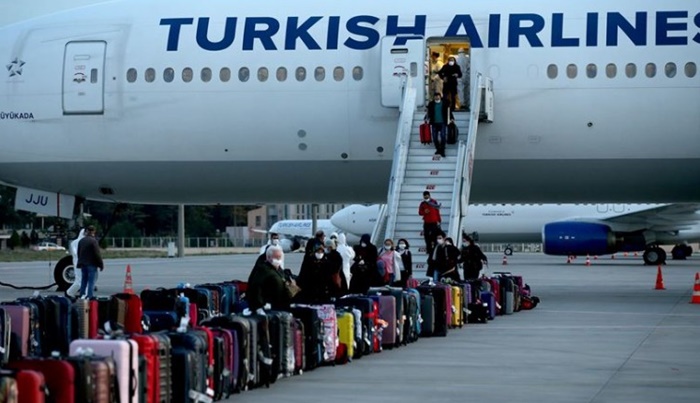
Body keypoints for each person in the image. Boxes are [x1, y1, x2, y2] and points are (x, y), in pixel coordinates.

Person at [247, 245, 294, 312]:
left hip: (282, 304)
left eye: (279, 257)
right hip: (271, 307)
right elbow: (256, 288)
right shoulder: (263, 270)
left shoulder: (278, 270)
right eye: (276, 257)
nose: (278, 260)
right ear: (268, 257)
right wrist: (259, 306)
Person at [424, 92, 455, 157]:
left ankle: (442, 150)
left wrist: (452, 118)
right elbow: (428, 112)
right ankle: (438, 149)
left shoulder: (444, 103)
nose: (437, 97)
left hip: (442, 122)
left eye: (438, 96)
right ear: (434, 97)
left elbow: (449, 111)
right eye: (435, 96)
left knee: (443, 136)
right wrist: (426, 118)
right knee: (434, 137)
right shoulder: (431, 104)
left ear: (440, 97)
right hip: (434, 123)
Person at [77, 225, 104, 299]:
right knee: (91, 281)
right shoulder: (93, 241)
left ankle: (82, 295)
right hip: (91, 264)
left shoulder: (81, 241)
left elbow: (79, 253)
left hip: (83, 264)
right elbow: (97, 254)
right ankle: (90, 296)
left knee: (84, 280)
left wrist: (80, 262)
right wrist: (101, 264)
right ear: (94, 231)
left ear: (87, 231)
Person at [418, 191, 442, 256]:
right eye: (425, 195)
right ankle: (429, 249)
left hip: (434, 222)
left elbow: (437, 211)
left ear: (429, 195)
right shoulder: (422, 203)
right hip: (427, 222)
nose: (426, 196)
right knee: (426, 236)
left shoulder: (434, 202)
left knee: (434, 236)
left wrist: (439, 220)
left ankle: (435, 249)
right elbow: (420, 212)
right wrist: (424, 212)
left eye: (427, 195)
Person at [65, 228, 86, 298]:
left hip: (81, 263)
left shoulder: (75, 242)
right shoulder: (75, 243)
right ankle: (69, 293)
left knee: (83, 281)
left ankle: (84, 295)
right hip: (79, 263)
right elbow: (76, 253)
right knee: (79, 281)